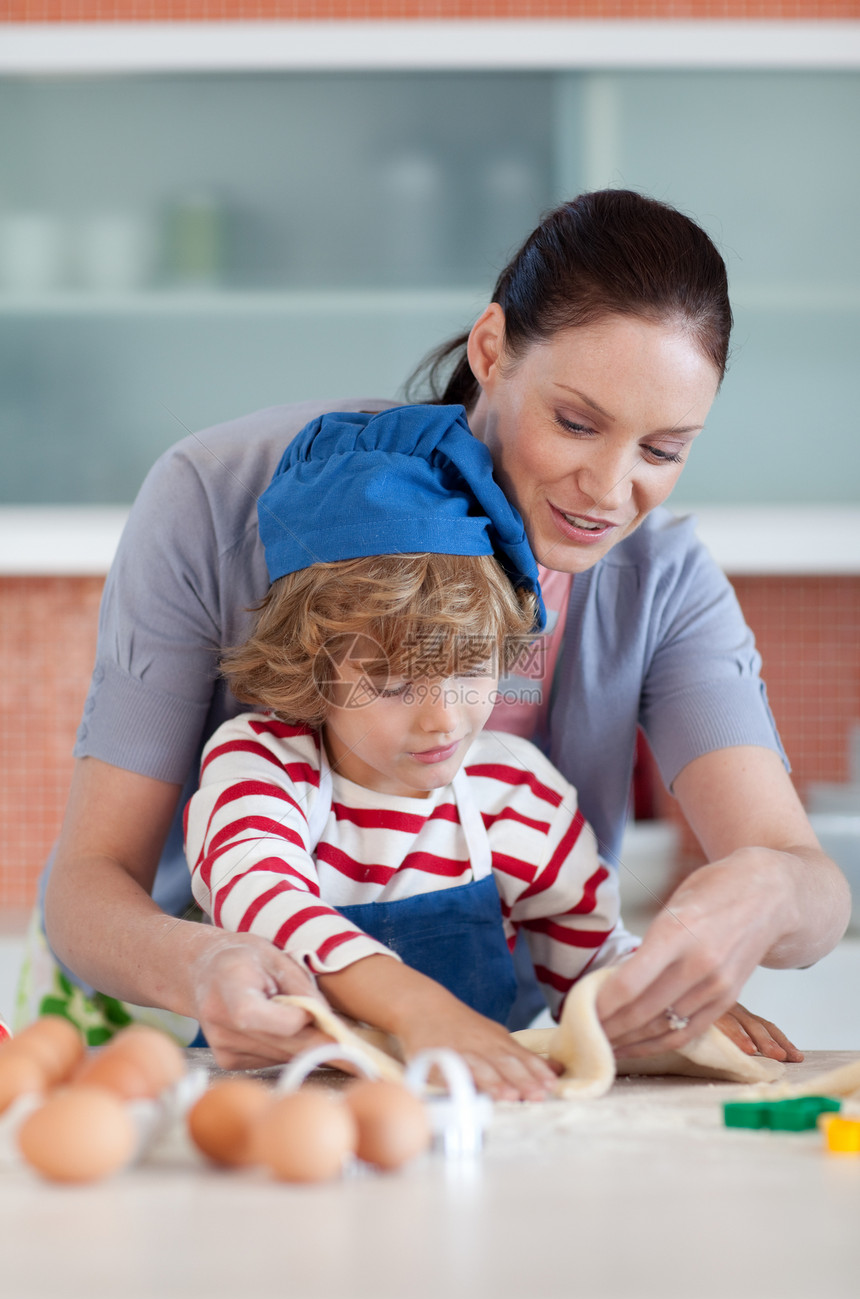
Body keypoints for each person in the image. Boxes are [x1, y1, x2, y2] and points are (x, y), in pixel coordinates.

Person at [31, 188, 849, 1070]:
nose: (610, 493)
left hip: (480, 1062)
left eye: (663, 451)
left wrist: (760, 894)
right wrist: (206, 964)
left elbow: (809, 895)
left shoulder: (662, 582)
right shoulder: (220, 498)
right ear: (491, 349)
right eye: (576, 423)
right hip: (186, 1038)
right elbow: (86, 888)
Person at [184, 403, 639, 1100]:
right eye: (394, 683)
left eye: (471, 667)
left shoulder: (515, 796)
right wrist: (419, 1010)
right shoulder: (261, 768)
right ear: (315, 665)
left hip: (466, 1130)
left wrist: (668, 1007)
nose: (443, 720)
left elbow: (594, 956)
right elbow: (265, 901)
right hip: (274, 1114)